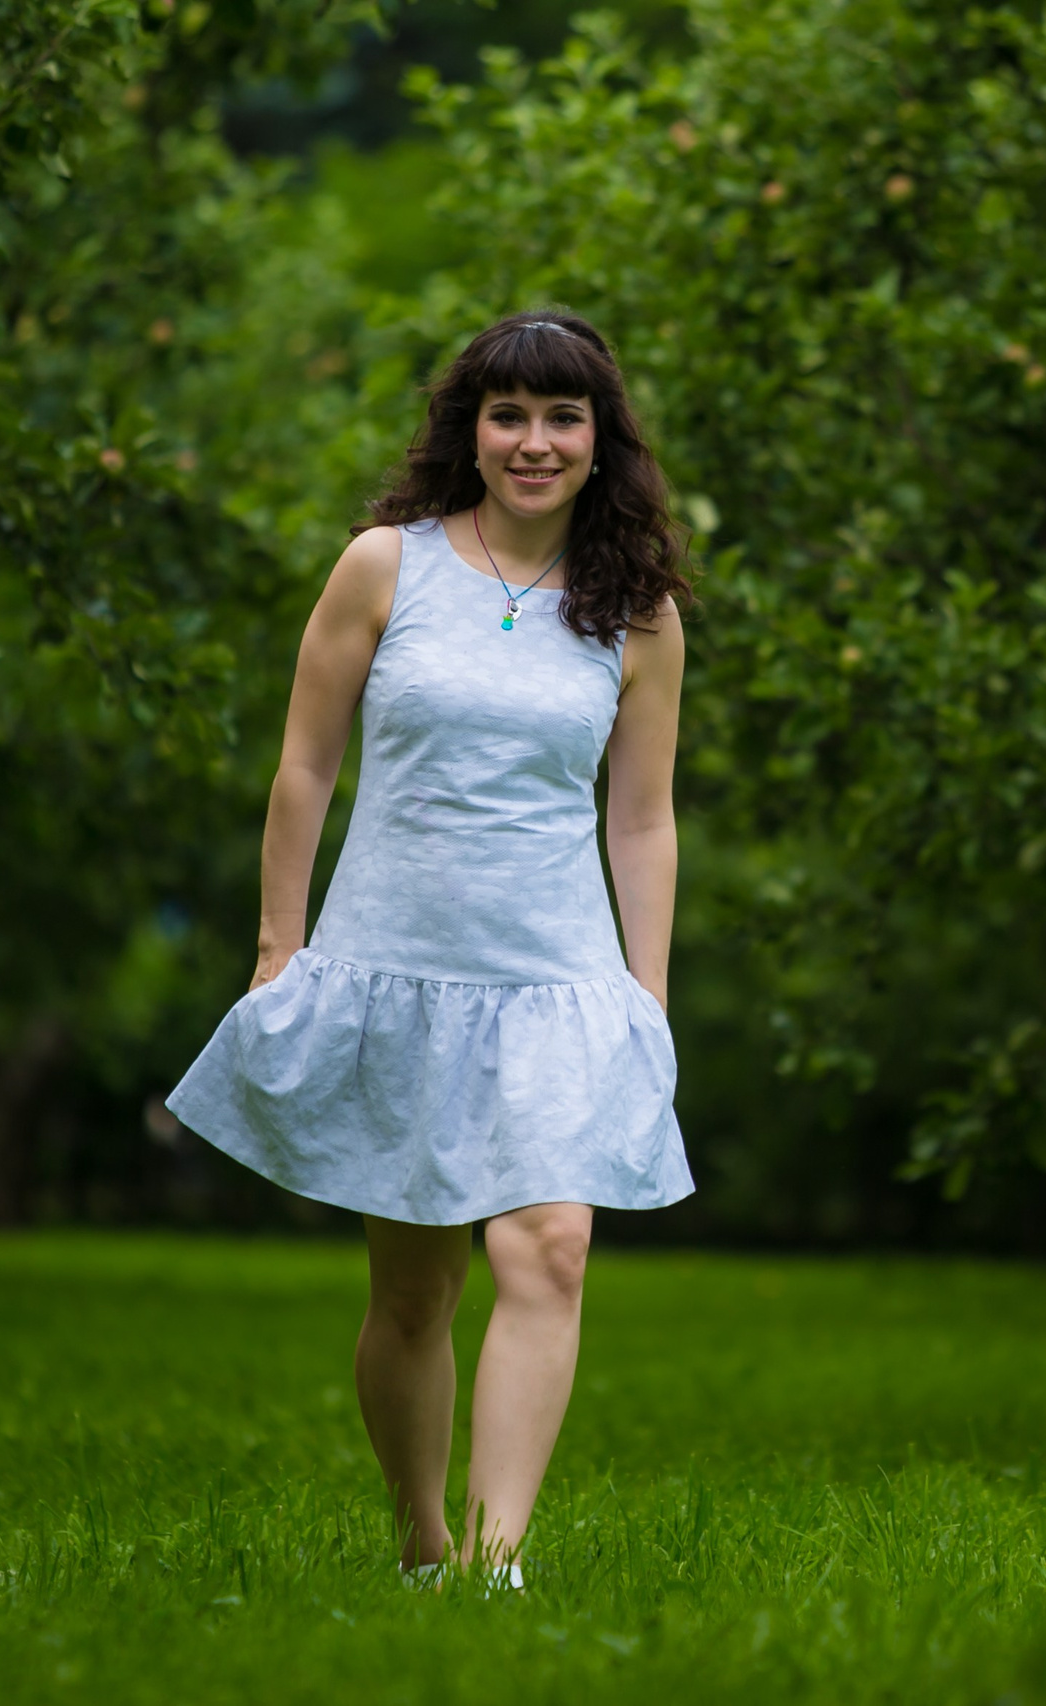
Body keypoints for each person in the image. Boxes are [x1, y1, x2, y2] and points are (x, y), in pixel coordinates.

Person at [166, 310, 694, 1589]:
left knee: (549, 1247)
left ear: (598, 439)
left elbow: (641, 816)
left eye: (561, 417)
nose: (533, 441)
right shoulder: (382, 566)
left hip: (555, 981)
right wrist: (277, 942)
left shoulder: (638, 614)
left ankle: (493, 1564)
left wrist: (647, 996)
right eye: (508, 413)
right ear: (470, 427)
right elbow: (303, 765)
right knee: (414, 1294)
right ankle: (422, 1536)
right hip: (396, 968)